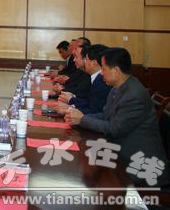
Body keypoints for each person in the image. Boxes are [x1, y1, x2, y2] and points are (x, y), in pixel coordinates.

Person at [65, 48, 169, 187]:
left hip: (140, 165)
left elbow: (114, 129)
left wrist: (82, 119)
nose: (101, 73)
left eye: (104, 68)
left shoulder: (133, 95)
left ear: (116, 70)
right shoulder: (118, 87)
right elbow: (105, 115)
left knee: (83, 177)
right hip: (122, 154)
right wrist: (81, 117)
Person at [56, 44, 110, 115]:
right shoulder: (95, 77)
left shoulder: (101, 80)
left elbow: (95, 110)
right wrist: (71, 104)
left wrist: (70, 108)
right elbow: (88, 101)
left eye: (86, 59)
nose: (85, 62)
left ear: (94, 63)